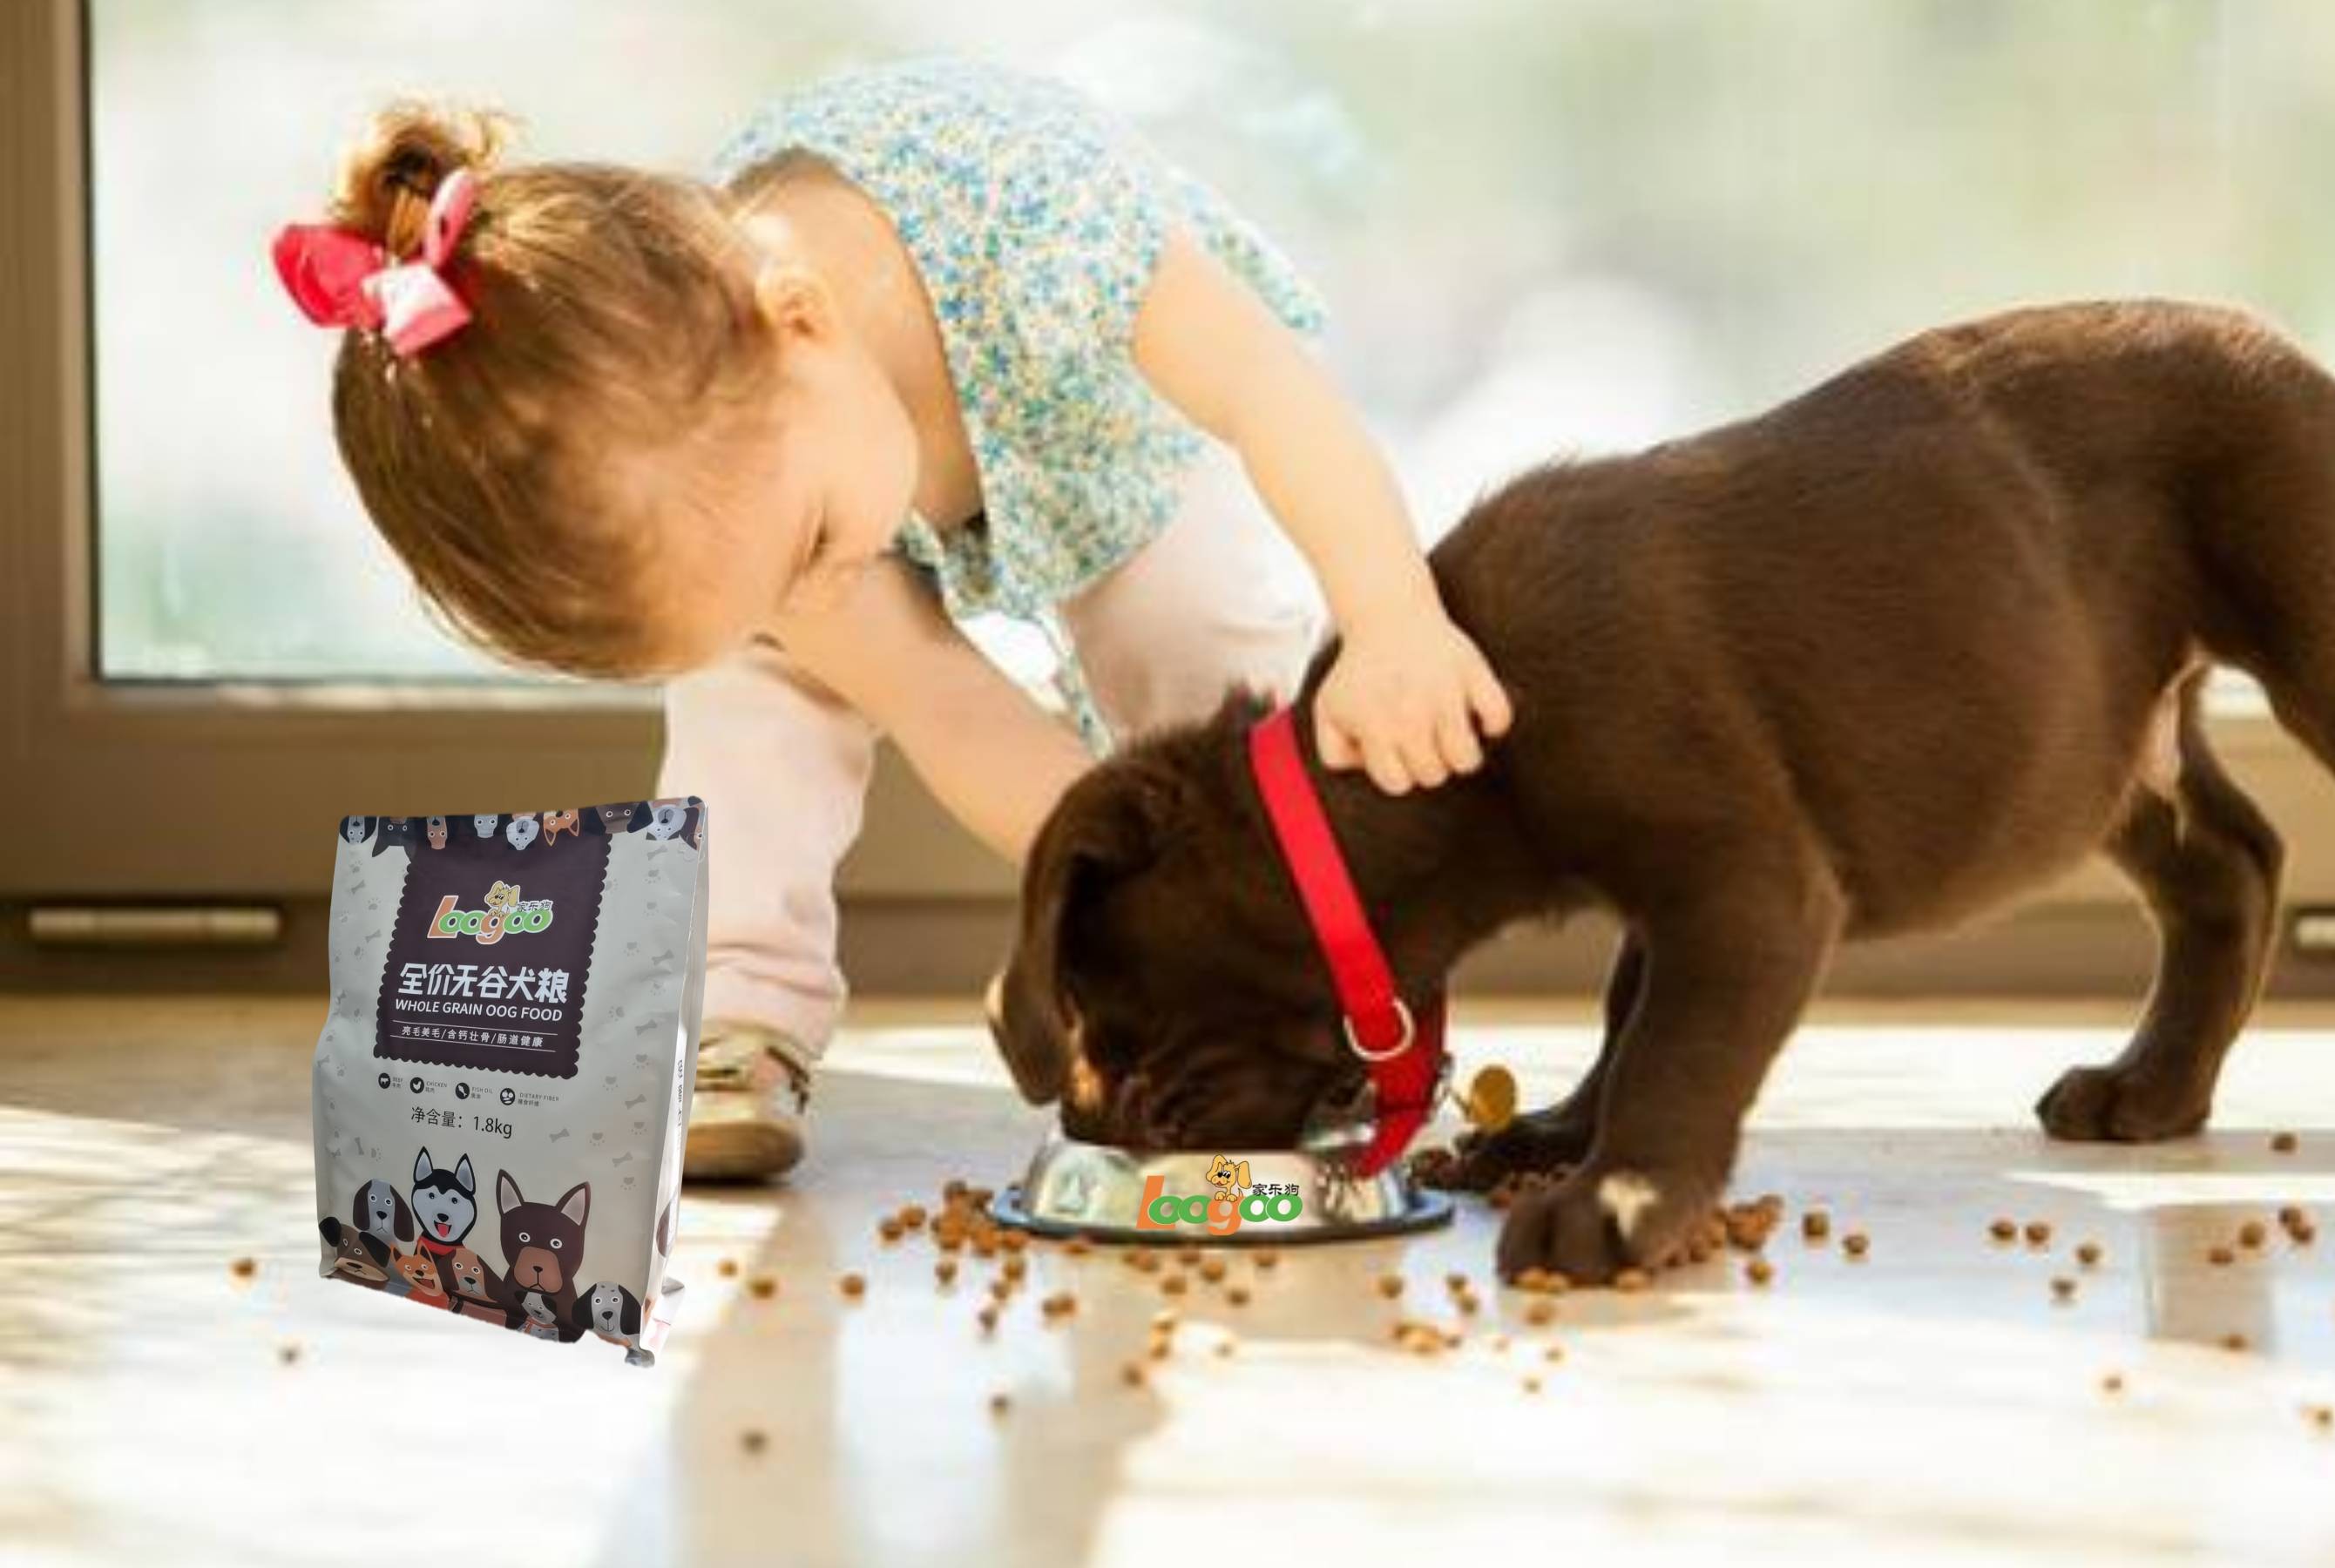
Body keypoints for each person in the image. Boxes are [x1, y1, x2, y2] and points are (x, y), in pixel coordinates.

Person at [276, 57, 1511, 1180]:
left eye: (809, 549)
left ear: (803, 322)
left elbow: (1269, 389)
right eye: (770, 589)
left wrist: (1391, 614)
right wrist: (1104, 911)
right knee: (753, 698)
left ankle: (1292, 992)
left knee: (1198, 643)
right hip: (826, 462)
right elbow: (946, 706)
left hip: (1111, 433)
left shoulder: (1047, 226)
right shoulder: (761, 482)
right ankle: (739, 1005)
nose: (815, 595)